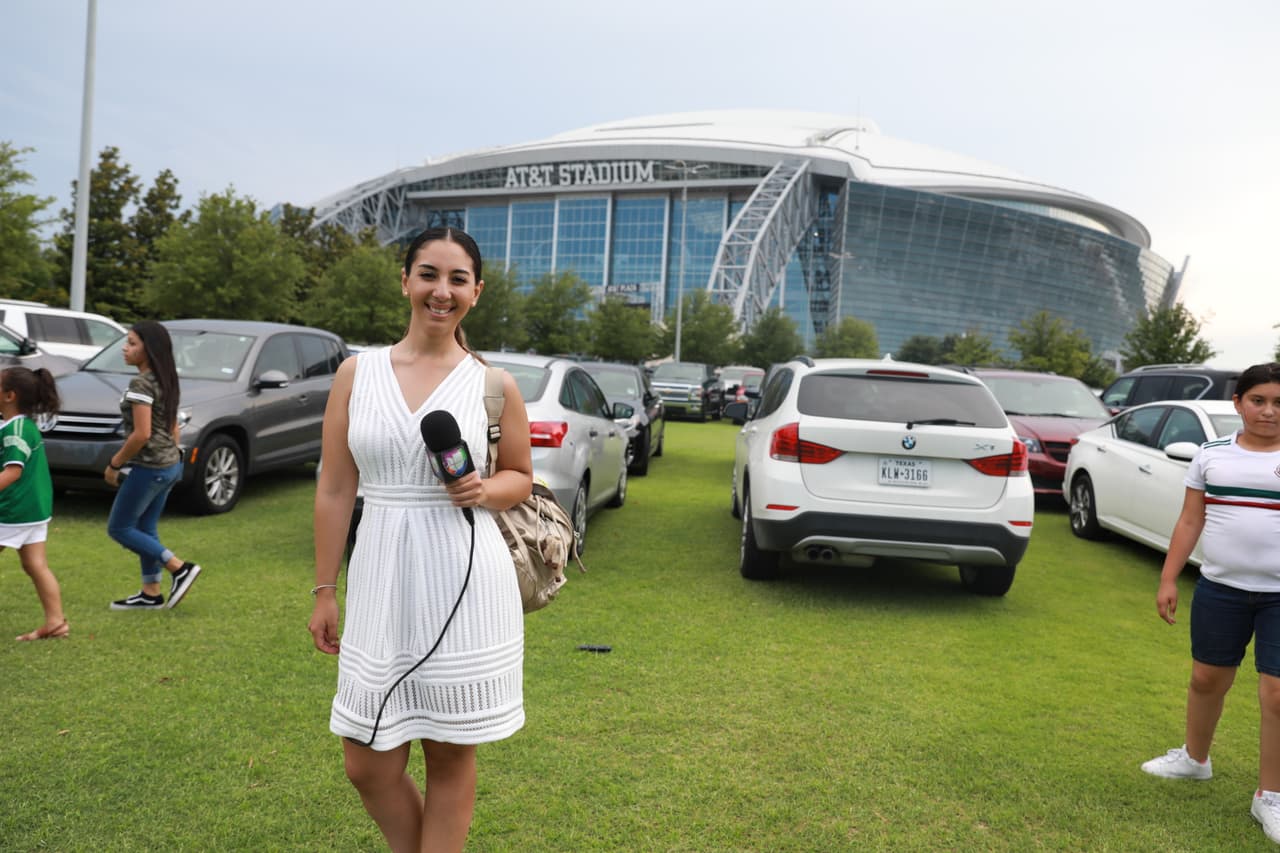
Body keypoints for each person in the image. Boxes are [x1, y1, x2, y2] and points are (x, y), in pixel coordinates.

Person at [309, 226, 533, 853]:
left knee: (449, 754)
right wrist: (326, 589)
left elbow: (521, 477)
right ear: (405, 280)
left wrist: (484, 491)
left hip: (463, 574)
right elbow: (334, 487)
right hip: (380, 573)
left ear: (476, 292)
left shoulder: (495, 384)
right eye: (429, 274)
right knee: (367, 763)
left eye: (457, 279)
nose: (442, 290)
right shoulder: (358, 373)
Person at [1141, 362, 1280, 844]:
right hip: (1220, 588)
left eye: (1279, 403)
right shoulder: (1210, 455)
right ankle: (1195, 760)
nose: (1268, 411)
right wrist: (1168, 578)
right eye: (1258, 401)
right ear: (1239, 403)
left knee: (1277, 693)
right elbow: (1188, 521)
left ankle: (1272, 796)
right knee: (1207, 678)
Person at [106, 321, 201, 611]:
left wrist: (115, 463)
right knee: (145, 527)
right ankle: (150, 592)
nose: (125, 348)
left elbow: (142, 434)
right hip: (170, 463)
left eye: (132, 343)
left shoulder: (142, 383)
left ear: (150, 349)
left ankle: (180, 568)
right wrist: (175, 459)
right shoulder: (166, 379)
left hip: (151, 466)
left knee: (119, 527)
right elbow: (173, 426)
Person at [0, 367, 68, 641]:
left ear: (9, 396)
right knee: (35, 564)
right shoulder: (19, 425)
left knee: (35, 565)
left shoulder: (16, 429)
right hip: (35, 510)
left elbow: (13, 471)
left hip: (14, 511)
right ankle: (55, 623)